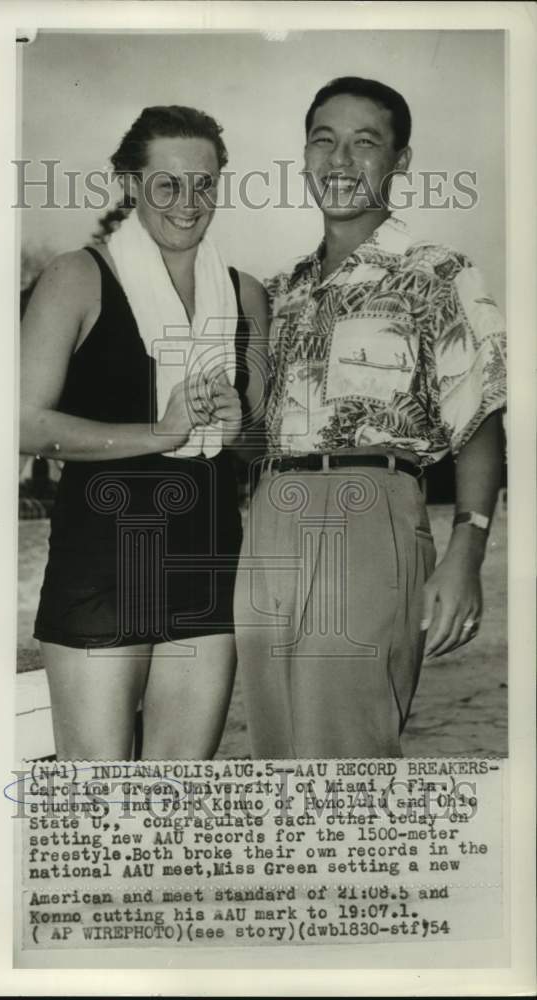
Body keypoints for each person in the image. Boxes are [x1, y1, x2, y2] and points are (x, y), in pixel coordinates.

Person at [235, 77, 506, 758]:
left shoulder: (437, 273)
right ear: (303, 154)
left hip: (368, 516)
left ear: (400, 161)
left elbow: (477, 420)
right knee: (277, 756)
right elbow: (248, 440)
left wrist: (464, 554)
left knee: (344, 753)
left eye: (365, 142)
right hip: (268, 520)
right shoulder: (274, 292)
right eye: (324, 140)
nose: (339, 159)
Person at [20, 106, 269, 761]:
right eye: (167, 184)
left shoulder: (246, 298)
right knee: (97, 803)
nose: (188, 203)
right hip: (102, 563)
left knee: (175, 807)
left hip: (208, 561)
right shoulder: (75, 277)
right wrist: (160, 432)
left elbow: (261, 445)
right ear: (130, 183)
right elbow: (24, 423)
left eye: (205, 184)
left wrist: (244, 428)